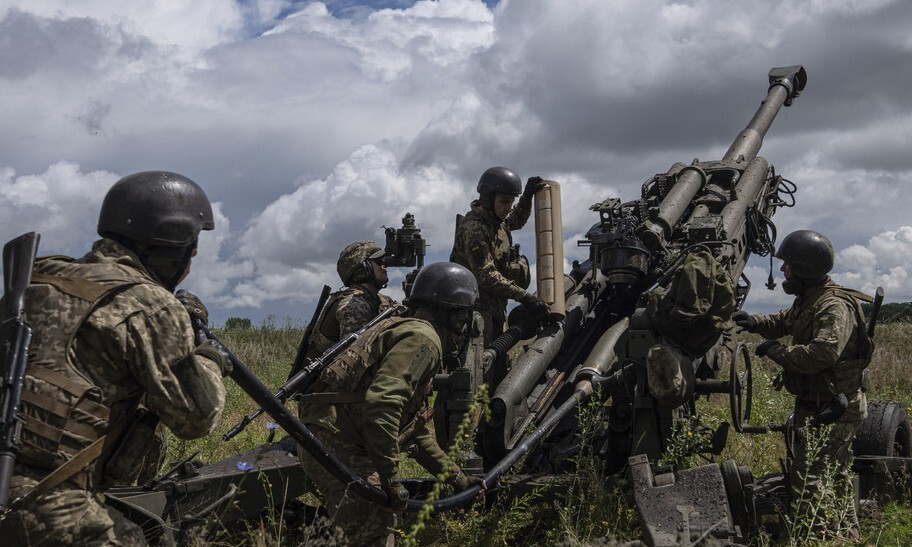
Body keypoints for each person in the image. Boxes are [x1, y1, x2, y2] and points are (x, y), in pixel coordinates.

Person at [0, 171, 230, 545]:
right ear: (173, 249)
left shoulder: (39, 281)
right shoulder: (149, 304)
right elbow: (196, 418)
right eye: (192, 250)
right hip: (49, 504)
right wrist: (209, 359)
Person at [298, 262, 486, 546]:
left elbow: (414, 429)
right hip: (339, 441)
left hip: (329, 435)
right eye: (463, 319)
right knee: (375, 524)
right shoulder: (424, 340)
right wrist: (391, 480)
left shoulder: (408, 329)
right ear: (454, 315)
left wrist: (457, 478)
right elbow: (383, 405)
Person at [732, 229, 872, 537]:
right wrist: (756, 323)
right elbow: (785, 320)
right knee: (835, 476)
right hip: (819, 404)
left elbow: (821, 354)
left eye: (788, 264)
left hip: (835, 409)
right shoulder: (810, 299)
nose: (783, 270)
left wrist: (776, 351)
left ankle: (817, 536)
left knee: (808, 476)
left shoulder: (833, 305)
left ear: (805, 268)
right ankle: (846, 535)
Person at [451, 166, 550, 348]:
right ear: (488, 199)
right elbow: (486, 275)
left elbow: (517, 219)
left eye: (511, 202)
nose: (508, 208)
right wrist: (525, 297)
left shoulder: (497, 221)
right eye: (504, 202)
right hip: (475, 311)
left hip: (494, 308)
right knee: (482, 366)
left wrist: (527, 196)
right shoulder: (474, 229)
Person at [303, 241, 397, 361]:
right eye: (378, 262)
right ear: (363, 268)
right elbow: (353, 359)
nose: (384, 265)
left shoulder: (378, 300)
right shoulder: (354, 305)